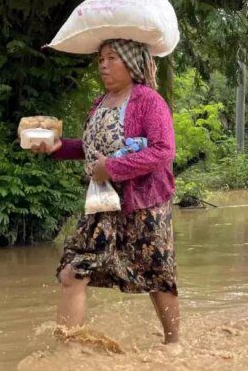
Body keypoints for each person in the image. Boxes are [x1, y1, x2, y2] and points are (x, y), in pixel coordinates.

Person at [29, 39, 180, 344]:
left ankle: (174, 344)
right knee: (73, 271)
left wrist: (113, 168)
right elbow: (90, 150)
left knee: (156, 276)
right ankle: (68, 354)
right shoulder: (99, 103)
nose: (103, 65)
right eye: (101, 58)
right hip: (102, 202)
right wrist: (58, 148)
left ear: (131, 63)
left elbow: (164, 151)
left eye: (112, 58)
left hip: (144, 203)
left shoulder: (149, 100)